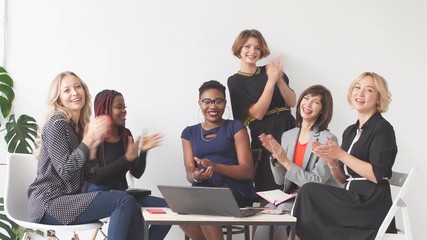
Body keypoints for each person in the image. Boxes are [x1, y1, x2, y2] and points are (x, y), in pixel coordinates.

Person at [28, 71, 143, 240]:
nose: (75, 92)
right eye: (67, 90)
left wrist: (93, 148)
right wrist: (88, 141)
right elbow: (66, 171)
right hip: (49, 203)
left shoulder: (80, 128)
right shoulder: (56, 123)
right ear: (58, 98)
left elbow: (92, 175)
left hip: (71, 201)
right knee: (123, 201)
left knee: (130, 202)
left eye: (78, 87)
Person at [293, 72, 398, 240]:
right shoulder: (350, 131)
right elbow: (342, 179)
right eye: (357, 87)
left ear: (379, 98)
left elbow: (377, 175)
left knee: (308, 192)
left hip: (369, 204)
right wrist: (332, 162)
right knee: (309, 199)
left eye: (368, 90)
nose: (360, 93)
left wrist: (341, 155)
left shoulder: (383, 129)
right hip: (351, 199)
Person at [253, 84, 339, 240]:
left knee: (280, 212)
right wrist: (275, 156)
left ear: (322, 111)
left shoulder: (327, 139)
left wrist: (285, 161)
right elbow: (280, 180)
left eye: (316, 102)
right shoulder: (288, 135)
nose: (308, 104)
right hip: (291, 195)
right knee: (264, 214)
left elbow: (316, 182)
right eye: (306, 99)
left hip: (314, 198)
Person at [87, 89, 171, 240]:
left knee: (168, 207)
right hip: (99, 193)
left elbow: (136, 173)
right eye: (119, 107)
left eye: (125, 107)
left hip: (123, 193)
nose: (124, 111)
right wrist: (126, 159)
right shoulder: (93, 136)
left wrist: (143, 151)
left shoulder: (126, 135)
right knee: (132, 207)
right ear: (106, 109)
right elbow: (96, 178)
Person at [180, 80, 257, 240]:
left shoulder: (236, 127)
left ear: (225, 103)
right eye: (207, 101)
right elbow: (189, 173)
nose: (213, 106)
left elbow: (247, 171)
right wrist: (196, 176)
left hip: (234, 189)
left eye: (218, 101)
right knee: (177, 206)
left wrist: (215, 167)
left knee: (205, 205)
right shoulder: (189, 133)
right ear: (200, 104)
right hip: (202, 190)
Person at [228, 29, 297, 192]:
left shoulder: (270, 70)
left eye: (257, 48)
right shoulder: (235, 81)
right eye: (247, 46)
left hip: (289, 125)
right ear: (239, 48)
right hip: (265, 131)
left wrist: (279, 79)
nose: (252, 51)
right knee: (269, 179)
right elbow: (257, 113)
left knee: (294, 172)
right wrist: (271, 81)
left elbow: (292, 101)